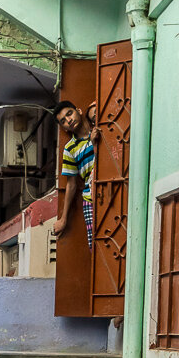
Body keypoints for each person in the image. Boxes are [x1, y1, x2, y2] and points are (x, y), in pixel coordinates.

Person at [52, 99, 97, 252]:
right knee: (96, 246)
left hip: (112, 187)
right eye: (63, 121)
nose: (68, 120)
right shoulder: (69, 149)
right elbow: (71, 184)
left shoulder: (100, 126)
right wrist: (63, 219)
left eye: (69, 114)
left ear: (79, 110)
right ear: (63, 128)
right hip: (90, 198)